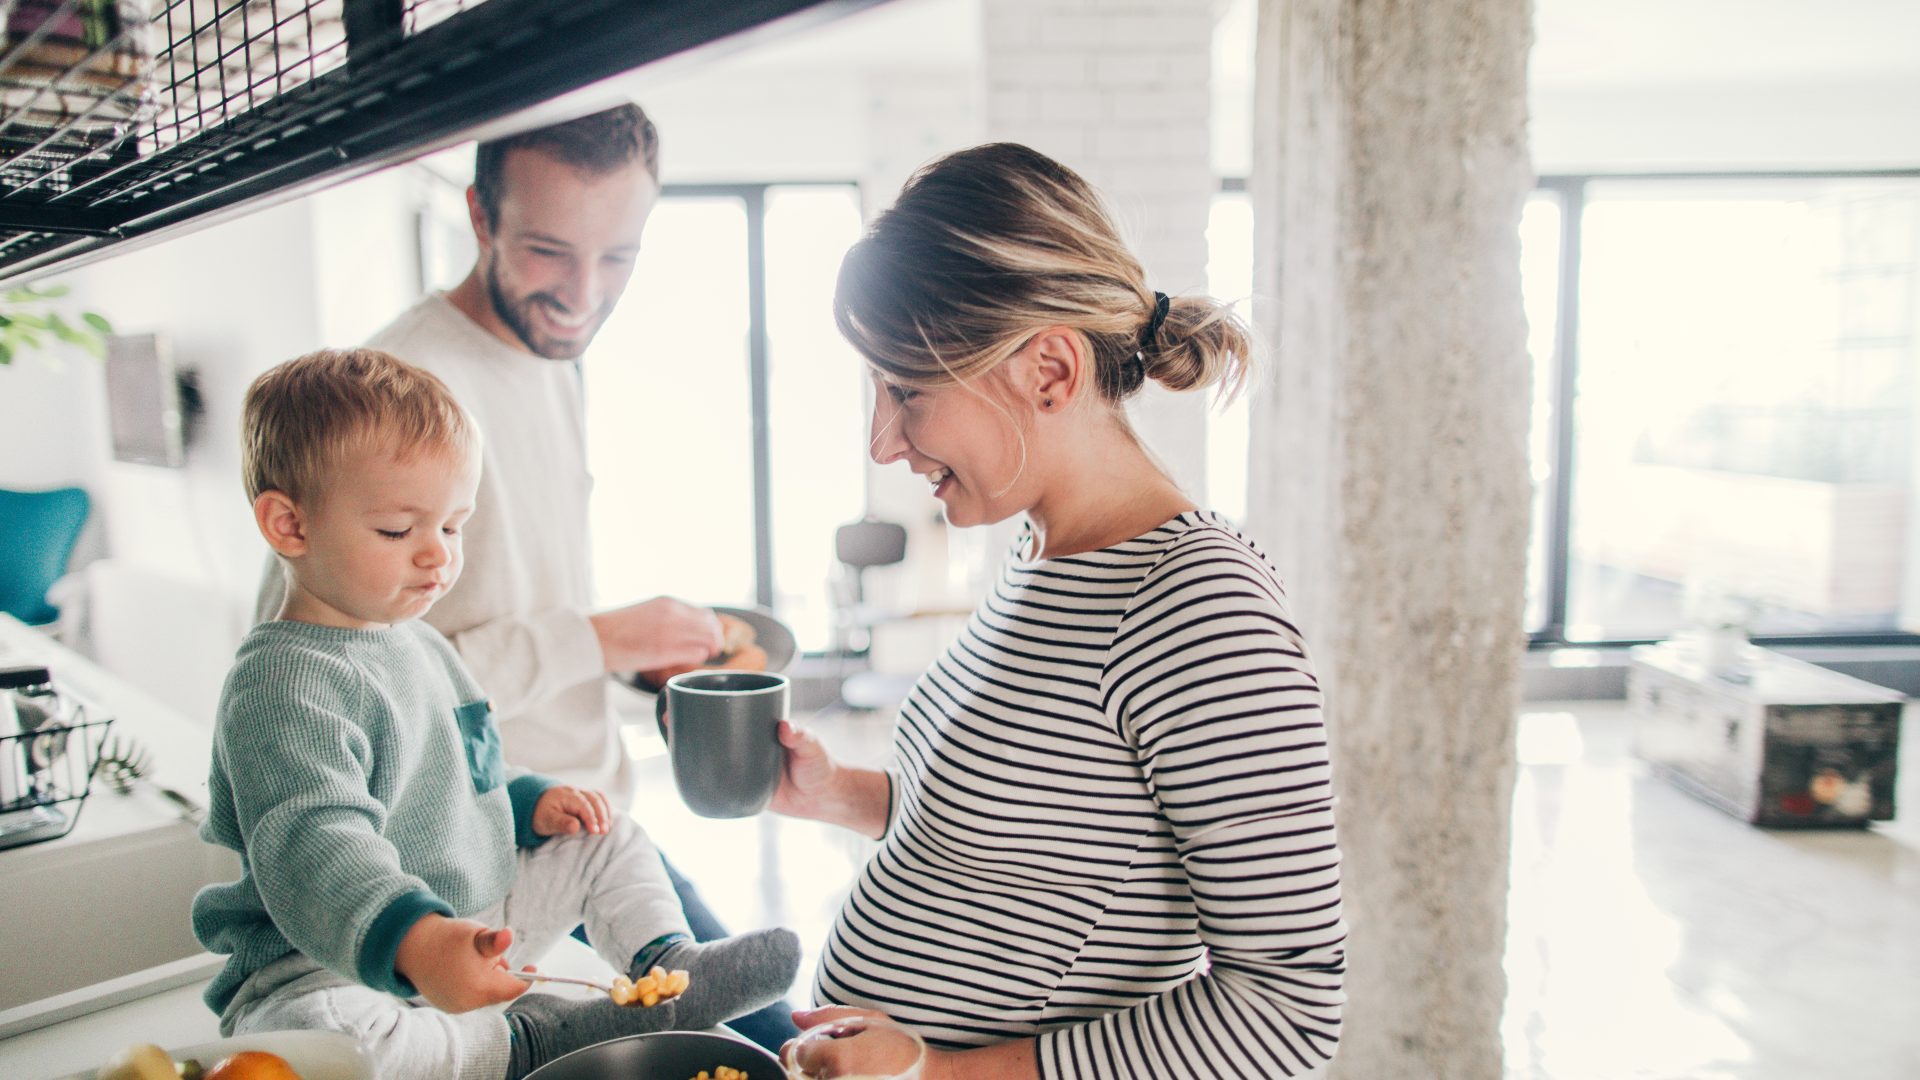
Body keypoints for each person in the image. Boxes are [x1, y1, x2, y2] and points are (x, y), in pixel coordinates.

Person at [768, 143, 1348, 1078]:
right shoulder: (1042, 552)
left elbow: (1287, 1012)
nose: (883, 441)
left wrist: (939, 1075)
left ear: (1048, 371)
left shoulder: (1201, 611)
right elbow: (1027, 852)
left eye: (906, 391)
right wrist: (839, 792)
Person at [253, 104, 797, 1049]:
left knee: (775, 1036)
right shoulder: (401, 387)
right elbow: (323, 661)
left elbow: (500, 608)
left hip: (573, 814)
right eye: (550, 251)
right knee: (754, 1046)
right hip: (470, 867)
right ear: (479, 216)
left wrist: (633, 672)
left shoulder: (546, 359)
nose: (583, 293)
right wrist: (597, 637)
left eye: (617, 256)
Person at [201, 348, 799, 1080]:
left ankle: (664, 963)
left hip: (467, 922)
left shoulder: (417, 642)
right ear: (288, 525)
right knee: (335, 1036)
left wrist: (528, 802)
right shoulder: (283, 683)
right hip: (329, 964)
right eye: (399, 531)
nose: (437, 559)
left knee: (608, 836)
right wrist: (417, 942)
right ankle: (526, 1043)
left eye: (453, 528)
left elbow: (466, 767)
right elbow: (317, 848)